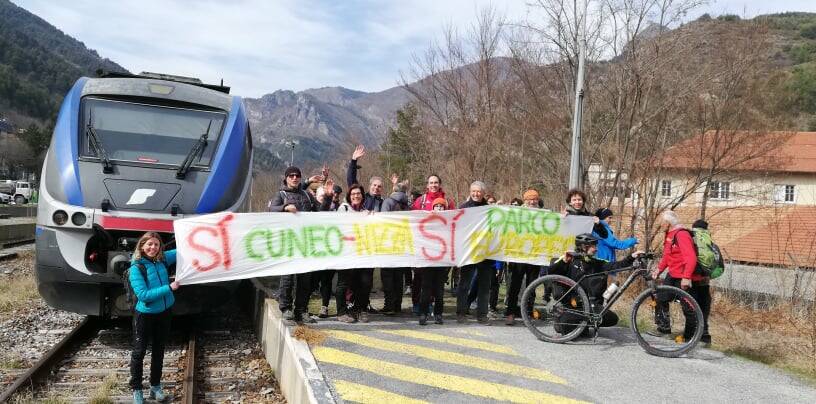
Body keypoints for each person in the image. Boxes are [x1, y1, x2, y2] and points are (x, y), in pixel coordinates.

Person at [268, 166, 333, 324]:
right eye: (291, 175)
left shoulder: (306, 195)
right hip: (288, 242)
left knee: (305, 279)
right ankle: (286, 308)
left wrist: (328, 198)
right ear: (286, 178)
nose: (295, 178)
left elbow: (320, 212)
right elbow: (270, 210)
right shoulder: (281, 194)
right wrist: (284, 207)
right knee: (288, 278)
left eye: (297, 175)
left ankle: (301, 309)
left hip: (305, 243)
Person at [549, 233, 643, 335]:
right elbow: (550, 272)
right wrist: (563, 262)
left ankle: (581, 325)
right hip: (571, 304)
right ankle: (565, 320)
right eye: (593, 246)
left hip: (589, 305)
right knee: (564, 326)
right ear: (584, 247)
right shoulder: (569, 259)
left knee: (612, 318)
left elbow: (616, 265)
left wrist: (631, 257)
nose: (596, 249)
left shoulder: (597, 262)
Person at [129, 232, 180, 404]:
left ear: (160, 247)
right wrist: (169, 287)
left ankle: (155, 387)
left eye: (156, 244)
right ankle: (136, 389)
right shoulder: (136, 268)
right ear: (142, 246)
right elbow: (143, 295)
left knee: (159, 351)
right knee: (139, 352)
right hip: (145, 315)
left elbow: (183, 251)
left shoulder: (162, 260)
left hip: (164, 312)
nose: (153, 247)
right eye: (149, 244)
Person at [652, 211, 711, 344]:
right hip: (673, 274)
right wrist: (658, 270)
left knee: (688, 307)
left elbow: (691, 258)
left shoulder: (682, 234)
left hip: (683, 276)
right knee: (660, 297)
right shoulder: (669, 234)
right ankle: (663, 328)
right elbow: (667, 256)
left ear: (667, 223)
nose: (660, 224)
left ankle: (689, 338)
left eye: (661, 221)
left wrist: (686, 277)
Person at [410, 174, 454, 314]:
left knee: (438, 279)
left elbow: (454, 221)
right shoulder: (420, 201)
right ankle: (418, 303)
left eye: (436, 182)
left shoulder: (448, 201)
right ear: (427, 185)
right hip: (423, 246)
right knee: (419, 277)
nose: (433, 185)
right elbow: (412, 219)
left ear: (439, 184)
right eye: (431, 183)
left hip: (441, 247)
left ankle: (435, 305)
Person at [504, 189, 544, 326]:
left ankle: (527, 313)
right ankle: (510, 313)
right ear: (525, 200)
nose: (532, 201)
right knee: (514, 285)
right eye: (529, 199)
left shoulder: (544, 215)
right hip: (518, 255)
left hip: (535, 255)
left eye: (534, 199)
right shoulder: (516, 213)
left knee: (532, 285)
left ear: (537, 200)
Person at [335, 184, 373, 323]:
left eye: (358, 193)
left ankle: (360, 309)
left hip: (362, 253)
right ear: (349, 196)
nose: (356, 196)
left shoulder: (366, 212)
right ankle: (341, 312)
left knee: (364, 283)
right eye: (353, 194)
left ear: (362, 195)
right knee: (343, 283)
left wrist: (373, 217)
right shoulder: (343, 209)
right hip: (345, 253)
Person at [456, 181, 493, 325]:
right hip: (468, 252)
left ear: (484, 193)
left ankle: (482, 315)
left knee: (484, 286)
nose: (476, 194)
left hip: (485, 253)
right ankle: (461, 313)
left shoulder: (490, 210)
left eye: (479, 191)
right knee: (464, 284)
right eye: (473, 191)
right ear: (470, 192)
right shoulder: (463, 208)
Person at [418, 197, 452, 325]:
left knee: (439, 291)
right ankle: (423, 314)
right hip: (428, 261)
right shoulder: (427, 221)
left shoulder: (448, 224)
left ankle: (438, 314)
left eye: (441, 206)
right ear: (432, 208)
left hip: (442, 262)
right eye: (436, 206)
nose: (439, 208)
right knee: (425, 290)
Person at [380, 180, 411, 315]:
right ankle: (398, 305)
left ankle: (389, 305)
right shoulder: (406, 205)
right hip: (402, 245)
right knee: (399, 277)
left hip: (388, 244)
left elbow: (383, 221)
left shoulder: (388, 202)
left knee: (387, 276)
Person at [347, 145, 385, 212]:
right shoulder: (362, 198)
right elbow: (351, 179)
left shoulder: (383, 203)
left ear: (382, 189)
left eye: (379, 186)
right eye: (374, 185)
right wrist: (353, 161)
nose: (376, 188)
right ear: (370, 186)